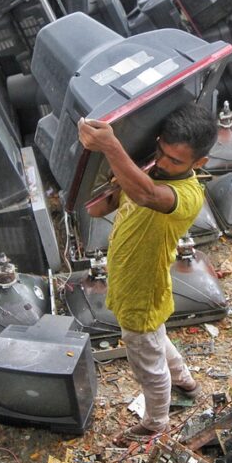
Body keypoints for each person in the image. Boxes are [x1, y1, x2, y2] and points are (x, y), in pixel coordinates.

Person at [78, 103, 217, 442]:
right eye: (162, 152)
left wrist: (112, 146)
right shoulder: (151, 169)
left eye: (175, 160)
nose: (164, 162)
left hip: (141, 290)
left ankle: (156, 422)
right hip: (132, 281)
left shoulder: (186, 194)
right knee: (156, 340)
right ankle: (185, 381)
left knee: (146, 362)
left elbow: (146, 194)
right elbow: (101, 206)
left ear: (199, 163)